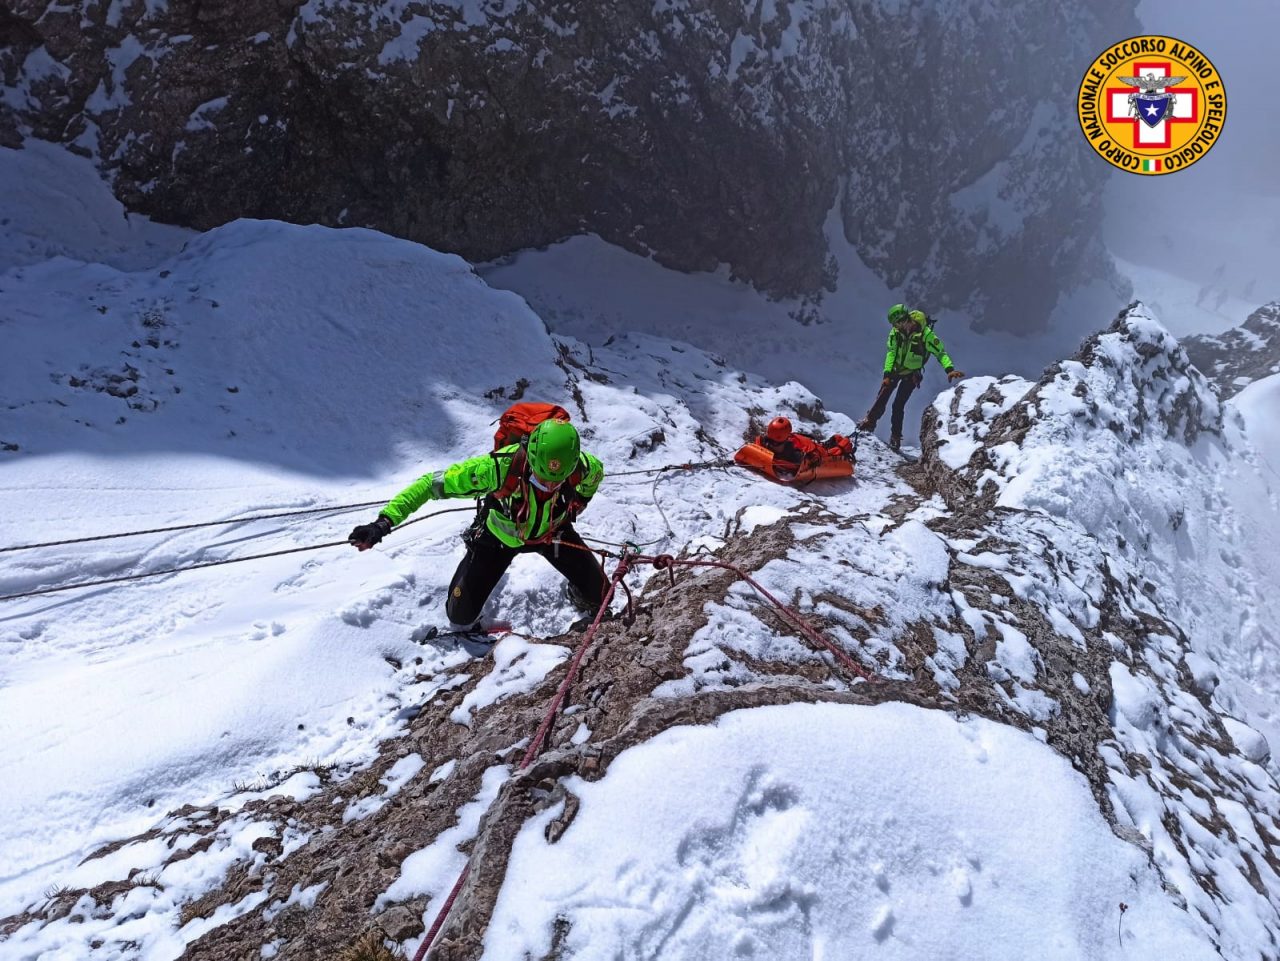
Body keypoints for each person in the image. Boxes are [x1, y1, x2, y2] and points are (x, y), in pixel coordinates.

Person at [348, 419, 608, 629]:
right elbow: (430, 485)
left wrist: (578, 503)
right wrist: (383, 522)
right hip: (498, 540)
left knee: (602, 595)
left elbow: (594, 476)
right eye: (543, 477)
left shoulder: (581, 467)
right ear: (530, 455)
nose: (551, 485)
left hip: (552, 533)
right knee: (459, 616)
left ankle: (578, 594)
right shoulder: (496, 469)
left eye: (557, 481)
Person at [857, 304, 963, 451]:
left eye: (897, 323)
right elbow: (891, 353)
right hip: (895, 370)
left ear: (903, 320)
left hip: (911, 375)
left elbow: (940, 353)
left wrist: (949, 369)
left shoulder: (925, 334)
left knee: (898, 405)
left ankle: (895, 437)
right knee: (882, 396)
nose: (895, 327)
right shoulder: (895, 333)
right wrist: (887, 374)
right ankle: (869, 423)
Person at [757, 416, 854, 474]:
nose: (772, 445)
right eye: (771, 441)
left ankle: (843, 445)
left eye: (776, 443)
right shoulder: (764, 442)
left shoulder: (797, 455)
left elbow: (805, 463)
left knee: (833, 450)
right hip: (807, 444)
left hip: (815, 450)